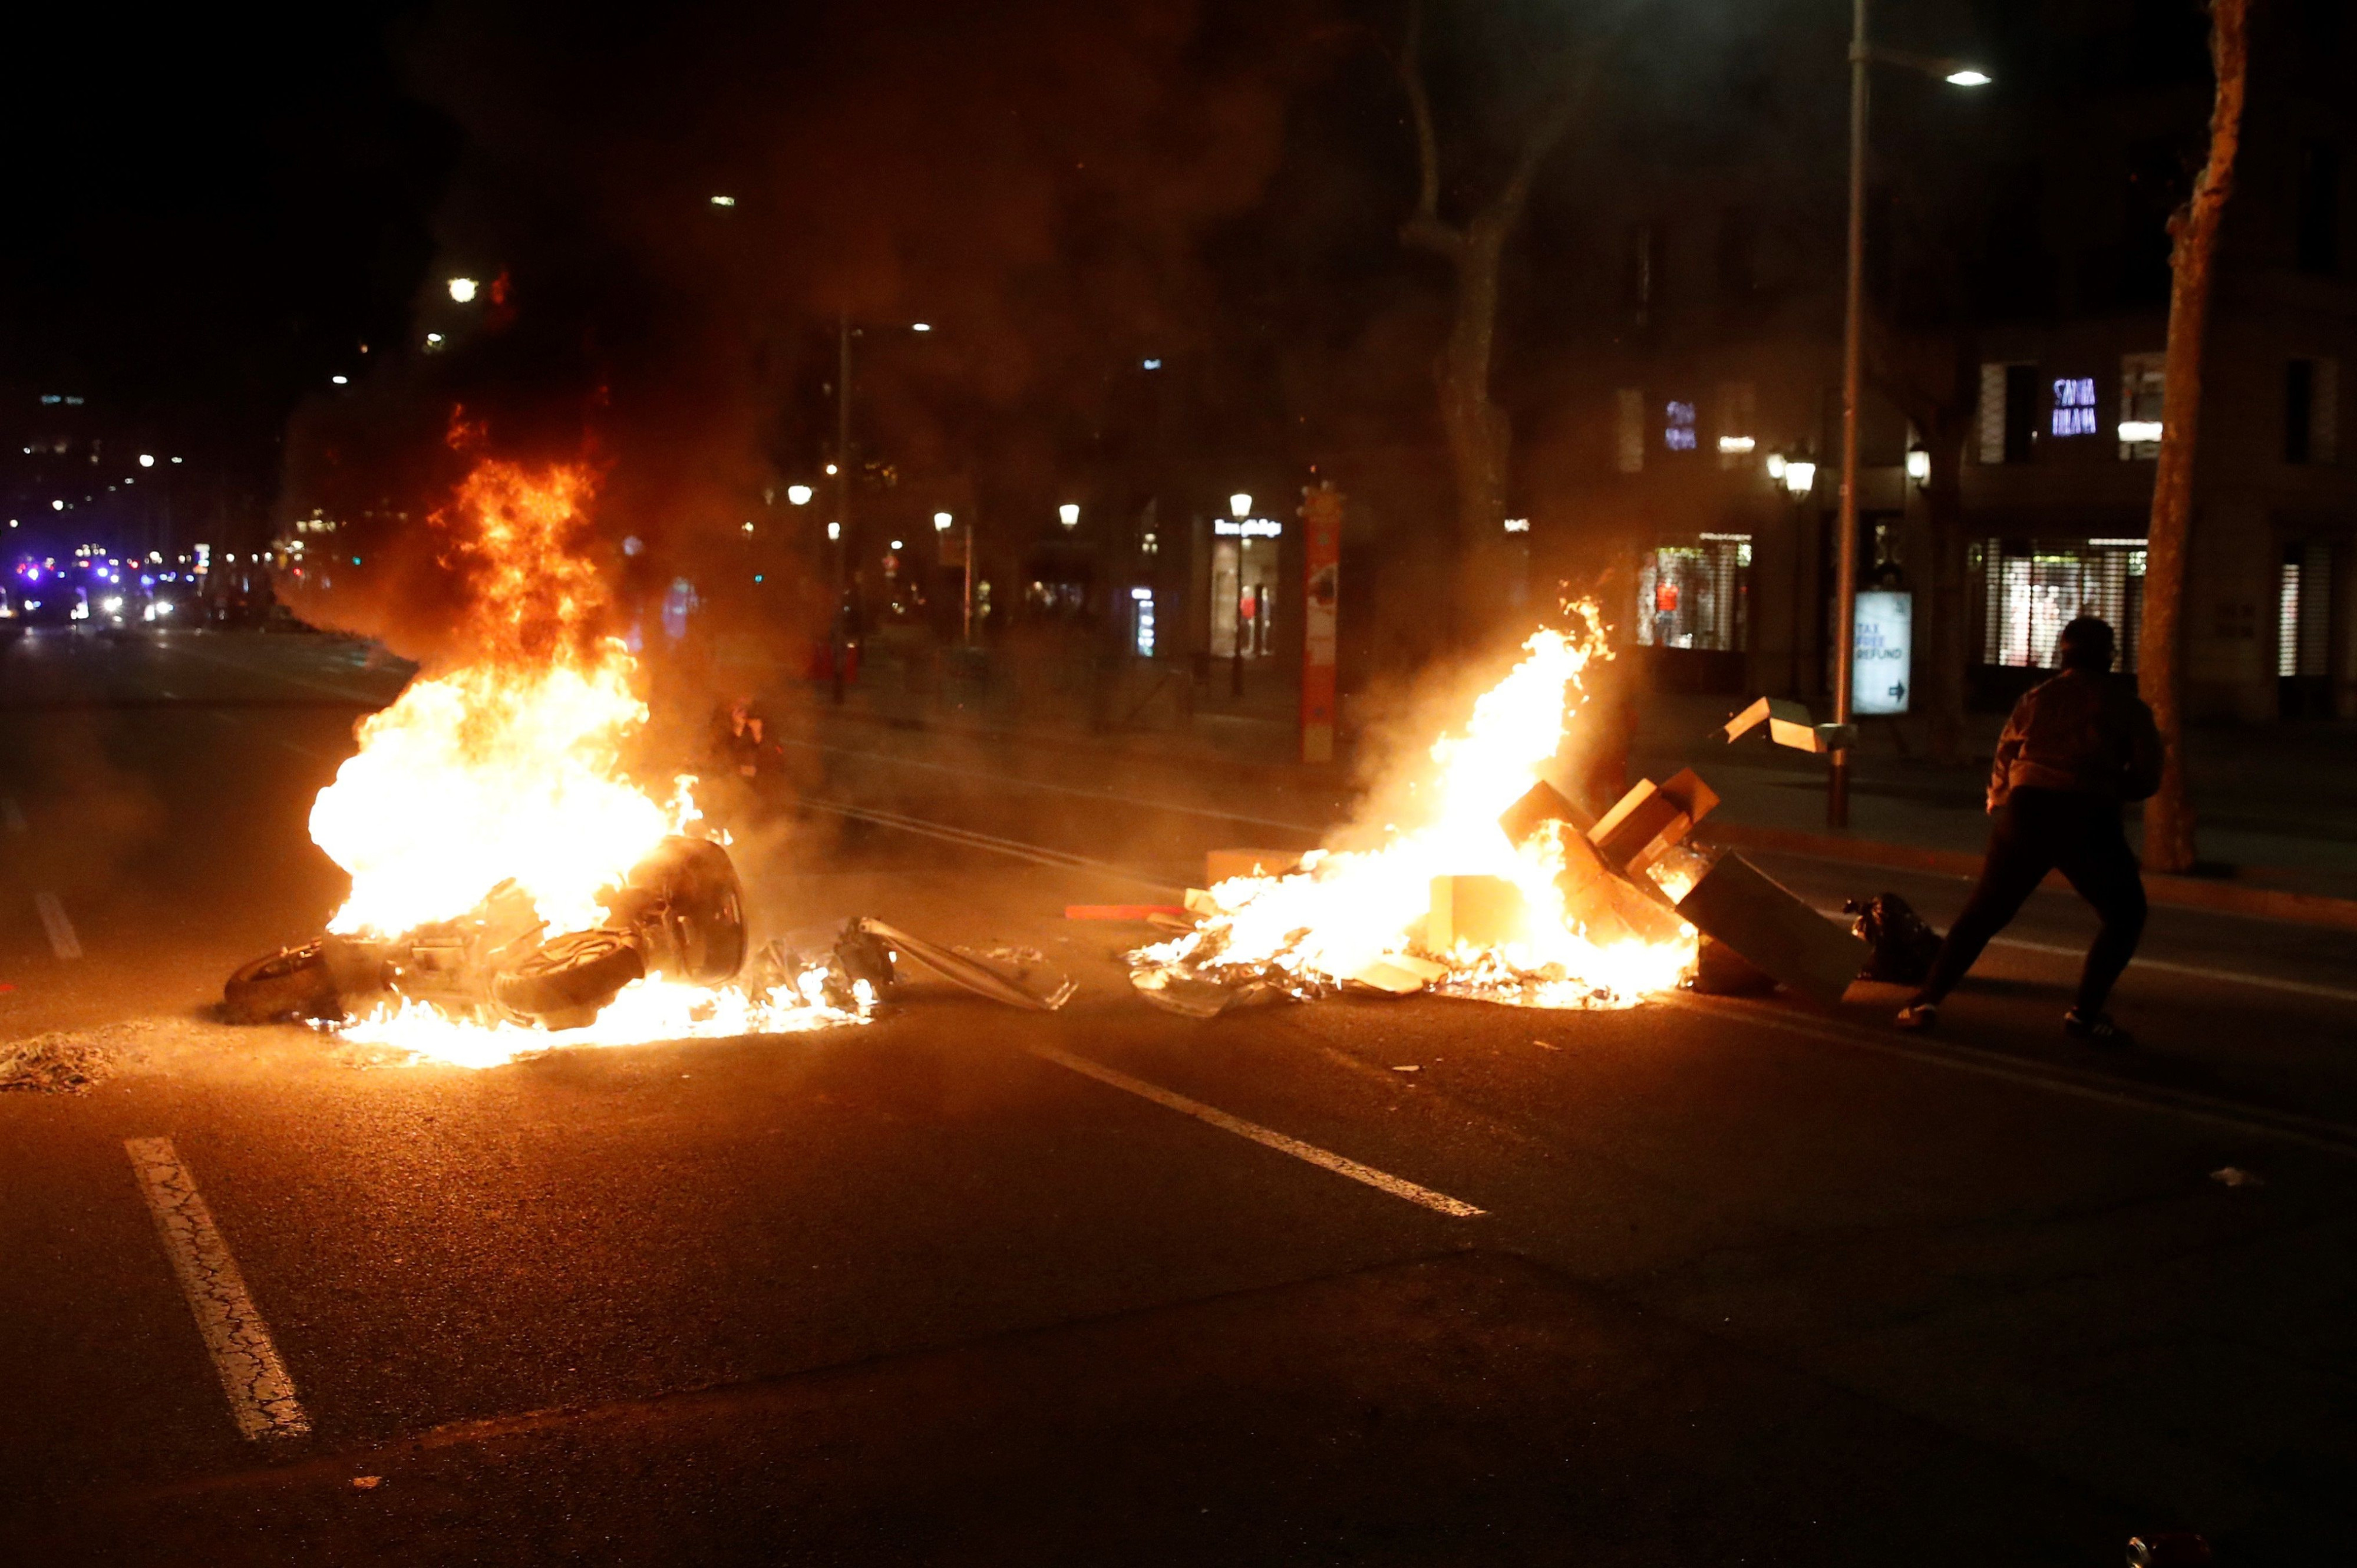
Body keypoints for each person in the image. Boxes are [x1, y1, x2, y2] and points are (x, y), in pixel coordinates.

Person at [1896, 616, 2163, 1045]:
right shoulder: (2126, 706)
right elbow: (2149, 776)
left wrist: (1998, 795)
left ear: (2064, 654)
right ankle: (2084, 1015)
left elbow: (2006, 749)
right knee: (2126, 914)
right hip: (2087, 814)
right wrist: (2115, 787)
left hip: (2028, 810)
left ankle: (1924, 1000)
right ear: (2109, 656)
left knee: (1985, 912)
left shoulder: (2038, 697)